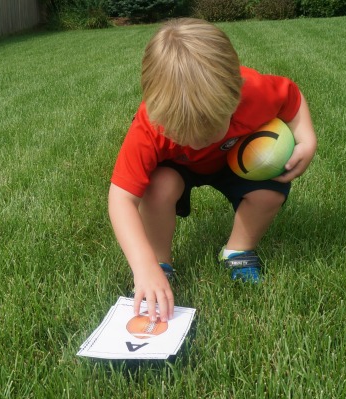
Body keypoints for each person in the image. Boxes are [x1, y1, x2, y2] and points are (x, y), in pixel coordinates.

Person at [108, 18, 317, 323]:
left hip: (237, 160)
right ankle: (160, 263)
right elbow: (121, 198)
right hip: (178, 169)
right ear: (155, 111)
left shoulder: (255, 91)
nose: (197, 141)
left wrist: (307, 140)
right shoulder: (148, 127)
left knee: (269, 192)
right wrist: (143, 266)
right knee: (158, 187)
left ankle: (238, 250)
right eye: (182, 133)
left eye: (210, 130)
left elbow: (291, 98)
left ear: (236, 96)